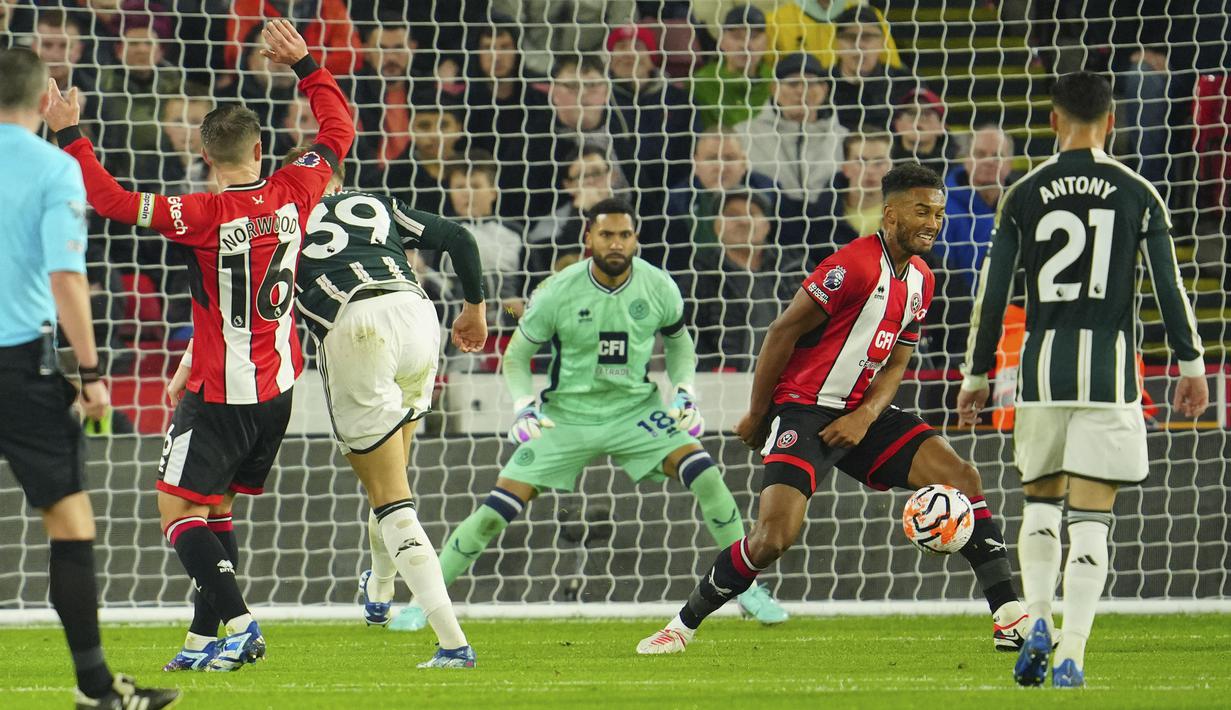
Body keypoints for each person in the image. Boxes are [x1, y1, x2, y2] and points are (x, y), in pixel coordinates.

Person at [46, 19, 354, 672]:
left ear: (206, 156)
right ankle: (199, 641)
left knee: (173, 510)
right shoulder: (297, 189)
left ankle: (240, 624)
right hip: (278, 387)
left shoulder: (201, 214)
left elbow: (109, 199)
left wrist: (70, 132)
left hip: (218, 391)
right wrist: (306, 66)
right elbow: (338, 132)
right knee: (213, 512)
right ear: (262, 146)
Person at [637, 164, 1028, 655]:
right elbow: (782, 332)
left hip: (862, 412)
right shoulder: (852, 266)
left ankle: (1010, 619)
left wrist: (865, 416)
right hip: (803, 410)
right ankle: (680, 626)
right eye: (921, 210)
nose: (933, 221)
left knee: (963, 479)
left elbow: (897, 361)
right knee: (772, 539)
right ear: (889, 213)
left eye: (939, 212)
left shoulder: (922, 280)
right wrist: (760, 414)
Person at [393, 198, 790, 630]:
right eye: (606, 235)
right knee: (493, 512)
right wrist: (525, 406)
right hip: (567, 417)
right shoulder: (556, 292)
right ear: (589, 238)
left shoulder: (659, 286)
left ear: (635, 239)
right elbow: (518, 354)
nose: (616, 243)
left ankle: (747, 589)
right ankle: (424, 602)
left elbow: (679, 343)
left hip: (636, 412)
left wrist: (684, 393)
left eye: (624, 235)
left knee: (707, 474)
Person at [957, 72, 1208, 689]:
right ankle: (1071, 650)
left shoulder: (1024, 192)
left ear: (1052, 121)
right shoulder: (1137, 191)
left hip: (1040, 375)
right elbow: (1169, 288)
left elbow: (993, 293)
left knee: (1039, 505)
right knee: (1092, 518)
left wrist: (975, 374)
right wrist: (1192, 364)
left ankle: (1036, 618)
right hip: (1109, 380)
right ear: (1112, 122)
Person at [0, 46, 179, 710]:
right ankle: (96, 687)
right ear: (46, 100)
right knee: (70, 527)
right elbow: (67, 279)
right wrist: (93, 373)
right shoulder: (54, 169)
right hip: (24, 367)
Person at [281, 145, 487, 668]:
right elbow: (459, 238)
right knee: (397, 476)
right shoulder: (375, 202)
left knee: (390, 496)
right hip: (417, 316)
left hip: (355, 325)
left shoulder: (282, 214)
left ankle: (452, 643)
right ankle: (381, 582)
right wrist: (475, 310)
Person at [686, 191, 800, 372]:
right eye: (732, 215)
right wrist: (712, 368)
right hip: (728, 380)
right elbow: (686, 331)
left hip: (794, 377)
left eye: (752, 213)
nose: (744, 221)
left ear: (767, 225)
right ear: (717, 226)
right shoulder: (700, 274)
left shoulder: (797, 267)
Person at [736, 52, 846, 239]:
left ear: (825, 89)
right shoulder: (743, 135)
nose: (801, 91)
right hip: (767, 237)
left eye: (811, 83)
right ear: (774, 88)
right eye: (793, 83)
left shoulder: (843, 137)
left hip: (831, 238)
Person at [690, 4, 775, 129]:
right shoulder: (701, 83)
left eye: (754, 37)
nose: (746, 45)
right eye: (737, 37)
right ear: (721, 41)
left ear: (766, 43)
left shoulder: (776, 80)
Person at [890, 87, 953, 176]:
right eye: (911, 113)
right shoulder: (884, 167)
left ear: (943, 126)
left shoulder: (956, 174)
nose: (918, 120)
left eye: (926, 113)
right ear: (897, 124)